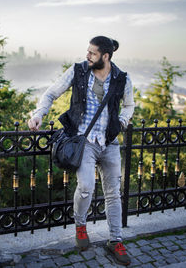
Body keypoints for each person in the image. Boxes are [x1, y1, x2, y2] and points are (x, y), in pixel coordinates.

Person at [28, 36, 134, 266]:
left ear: (105, 56)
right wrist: (38, 114)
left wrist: (124, 120)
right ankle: (80, 225)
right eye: (88, 51)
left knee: (113, 194)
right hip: (83, 142)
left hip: (109, 142)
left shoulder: (122, 78)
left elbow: (129, 104)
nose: (88, 56)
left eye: (93, 53)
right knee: (86, 187)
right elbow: (51, 93)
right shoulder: (78, 71)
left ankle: (115, 240)